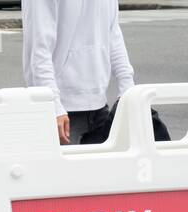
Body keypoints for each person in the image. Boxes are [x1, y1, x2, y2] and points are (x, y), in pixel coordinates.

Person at [22, 0, 134, 145]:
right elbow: (39, 50)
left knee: (104, 167)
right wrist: (54, 105)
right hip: (61, 113)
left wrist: (128, 88)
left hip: (99, 107)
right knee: (61, 168)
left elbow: (113, 35)